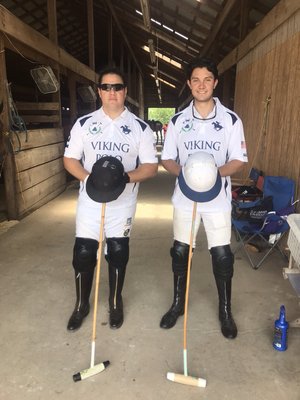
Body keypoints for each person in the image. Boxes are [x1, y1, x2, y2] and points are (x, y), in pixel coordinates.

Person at [64, 66, 158, 331]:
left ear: (125, 91)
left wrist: (124, 179)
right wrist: (88, 179)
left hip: (123, 202)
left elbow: (150, 166)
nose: (112, 92)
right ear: (99, 91)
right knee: (83, 252)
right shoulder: (85, 124)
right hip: (90, 202)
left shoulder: (140, 127)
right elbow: (70, 159)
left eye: (117, 87)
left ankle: (115, 302)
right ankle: (81, 304)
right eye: (106, 87)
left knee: (117, 252)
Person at [160, 57, 248, 339]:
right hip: (185, 199)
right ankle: (177, 304)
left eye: (207, 79)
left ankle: (225, 310)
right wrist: (187, 174)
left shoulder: (231, 120)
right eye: (196, 80)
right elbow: (168, 159)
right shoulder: (177, 120)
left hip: (217, 201)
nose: (201, 85)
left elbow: (238, 160)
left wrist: (211, 174)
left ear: (215, 83)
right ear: (189, 84)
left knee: (222, 256)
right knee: (180, 251)